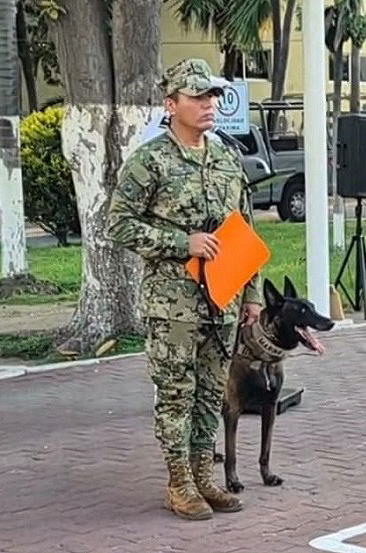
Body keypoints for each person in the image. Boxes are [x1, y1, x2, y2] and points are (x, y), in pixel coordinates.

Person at [108, 58, 263, 521]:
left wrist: (253, 292)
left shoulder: (225, 158)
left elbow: (245, 227)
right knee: (176, 393)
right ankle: (178, 483)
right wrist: (182, 242)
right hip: (173, 303)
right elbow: (119, 224)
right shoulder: (150, 161)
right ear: (171, 103)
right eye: (197, 96)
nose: (209, 104)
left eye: (212, 95)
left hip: (224, 299)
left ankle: (203, 476)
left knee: (211, 392)